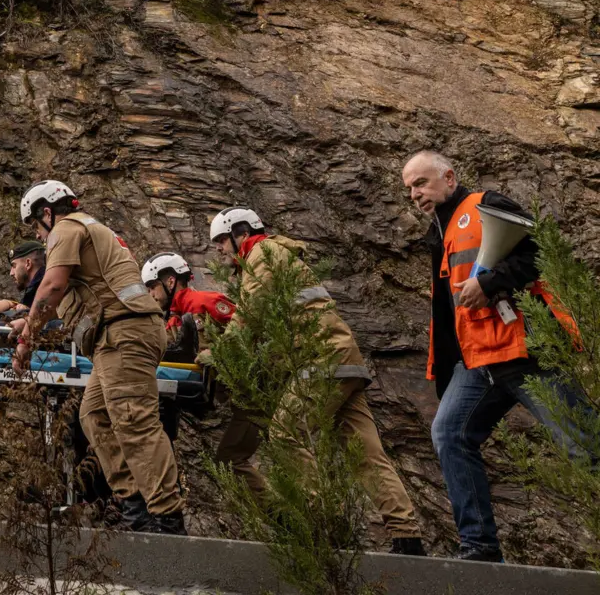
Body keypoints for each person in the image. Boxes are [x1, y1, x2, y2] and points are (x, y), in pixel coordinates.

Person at [401, 150, 587, 562]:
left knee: (582, 444)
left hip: (526, 350)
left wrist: (489, 283)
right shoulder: (438, 232)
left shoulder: (487, 204)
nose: (414, 194)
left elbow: (541, 251)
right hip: (479, 361)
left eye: (421, 183)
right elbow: (447, 312)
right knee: (449, 434)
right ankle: (479, 547)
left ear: (449, 178)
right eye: (409, 188)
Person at [210, 206, 427, 556]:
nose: (219, 249)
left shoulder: (262, 253)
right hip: (343, 360)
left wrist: (215, 354)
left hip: (319, 360)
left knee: (286, 433)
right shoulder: (281, 255)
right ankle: (407, 537)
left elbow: (249, 317)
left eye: (221, 240)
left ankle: (326, 526)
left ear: (241, 234)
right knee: (366, 454)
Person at [8, 180, 186, 535]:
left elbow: (53, 286)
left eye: (34, 226)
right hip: (118, 336)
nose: (37, 235)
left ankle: (166, 518)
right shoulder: (91, 230)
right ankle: (135, 505)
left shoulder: (66, 229)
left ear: (47, 213)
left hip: (124, 335)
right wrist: (28, 321)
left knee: (134, 421)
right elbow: (75, 298)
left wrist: (27, 340)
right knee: (94, 416)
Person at [140, 252, 266, 496]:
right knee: (227, 462)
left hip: (256, 394)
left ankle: (284, 514)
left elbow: (251, 329)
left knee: (230, 461)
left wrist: (218, 353)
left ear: (170, 281)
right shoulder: (175, 321)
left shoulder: (206, 302)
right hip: (239, 400)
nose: (151, 295)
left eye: (152, 287)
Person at [0, 241, 46, 324]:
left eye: (14, 266)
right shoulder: (33, 291)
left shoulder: (46, 288)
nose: (11, 273)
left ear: (28, 264)